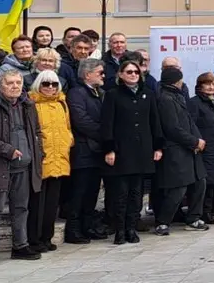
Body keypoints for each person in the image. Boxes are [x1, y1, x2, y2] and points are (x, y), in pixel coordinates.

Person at [0, 70, 43, 267]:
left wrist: (38, 154)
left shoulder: (28, 104)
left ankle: (20, 246)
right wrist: (7, 150)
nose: (15, 86)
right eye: (10, 83)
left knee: (21, 208)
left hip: (24, 166)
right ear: (0, 85)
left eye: (18, 82)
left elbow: (36, 132)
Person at [101, 59, 161, 244]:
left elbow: (154, 121)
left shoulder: (148, 94)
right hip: (122, 150)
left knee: (137, 193)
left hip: (142, 150)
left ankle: (131, 228)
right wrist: (109, 148)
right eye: (129, 72)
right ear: (120, 74)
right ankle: (119, 229)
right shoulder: (113, 95)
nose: (133, 74)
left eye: (136, 72)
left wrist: (158, 146)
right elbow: (107, 124)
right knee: (121, 193)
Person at [153, 66, 208, 235]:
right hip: (177, 150)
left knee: (200, 182)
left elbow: (189, 122)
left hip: (189, 149)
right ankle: (163, 222)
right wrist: (194, 141)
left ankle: (193, 218)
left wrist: (197, 140)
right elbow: (172, 128)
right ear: (176, 81)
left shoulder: (177, 96)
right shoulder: (166, 99)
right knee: (178, 188)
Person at [25, 71, 73, 254]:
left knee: (52, 203)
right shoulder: (31, 104)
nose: (50, 87)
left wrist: (68, 142)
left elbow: (67, 127)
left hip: (59, 159)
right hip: (40, 160)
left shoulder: (62, 103)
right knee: (37, 203)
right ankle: (34, 239)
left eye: (54, 84)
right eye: (46, 84)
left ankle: (47, 237)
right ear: (39, 84)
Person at [65, 58, 107, 244]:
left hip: (97, 151)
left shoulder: (101, 93)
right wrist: (104, 134)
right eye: (100, 73)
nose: (103, 76)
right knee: (79, 192)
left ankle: (87, 226)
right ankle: (73, 229)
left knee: (92, 192)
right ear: (87, 74)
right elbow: (81, 120)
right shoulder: (76, 93)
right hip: (83, 151)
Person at [188, 73, 214, 225]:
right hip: (203, 149)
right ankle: (200, 213)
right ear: (200, 85)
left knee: (212, 181)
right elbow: (191, 124)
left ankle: (208, 211)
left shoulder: (213, 102)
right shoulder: (195, 102)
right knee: (204, 182)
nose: (211, 87)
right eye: (208, 83)